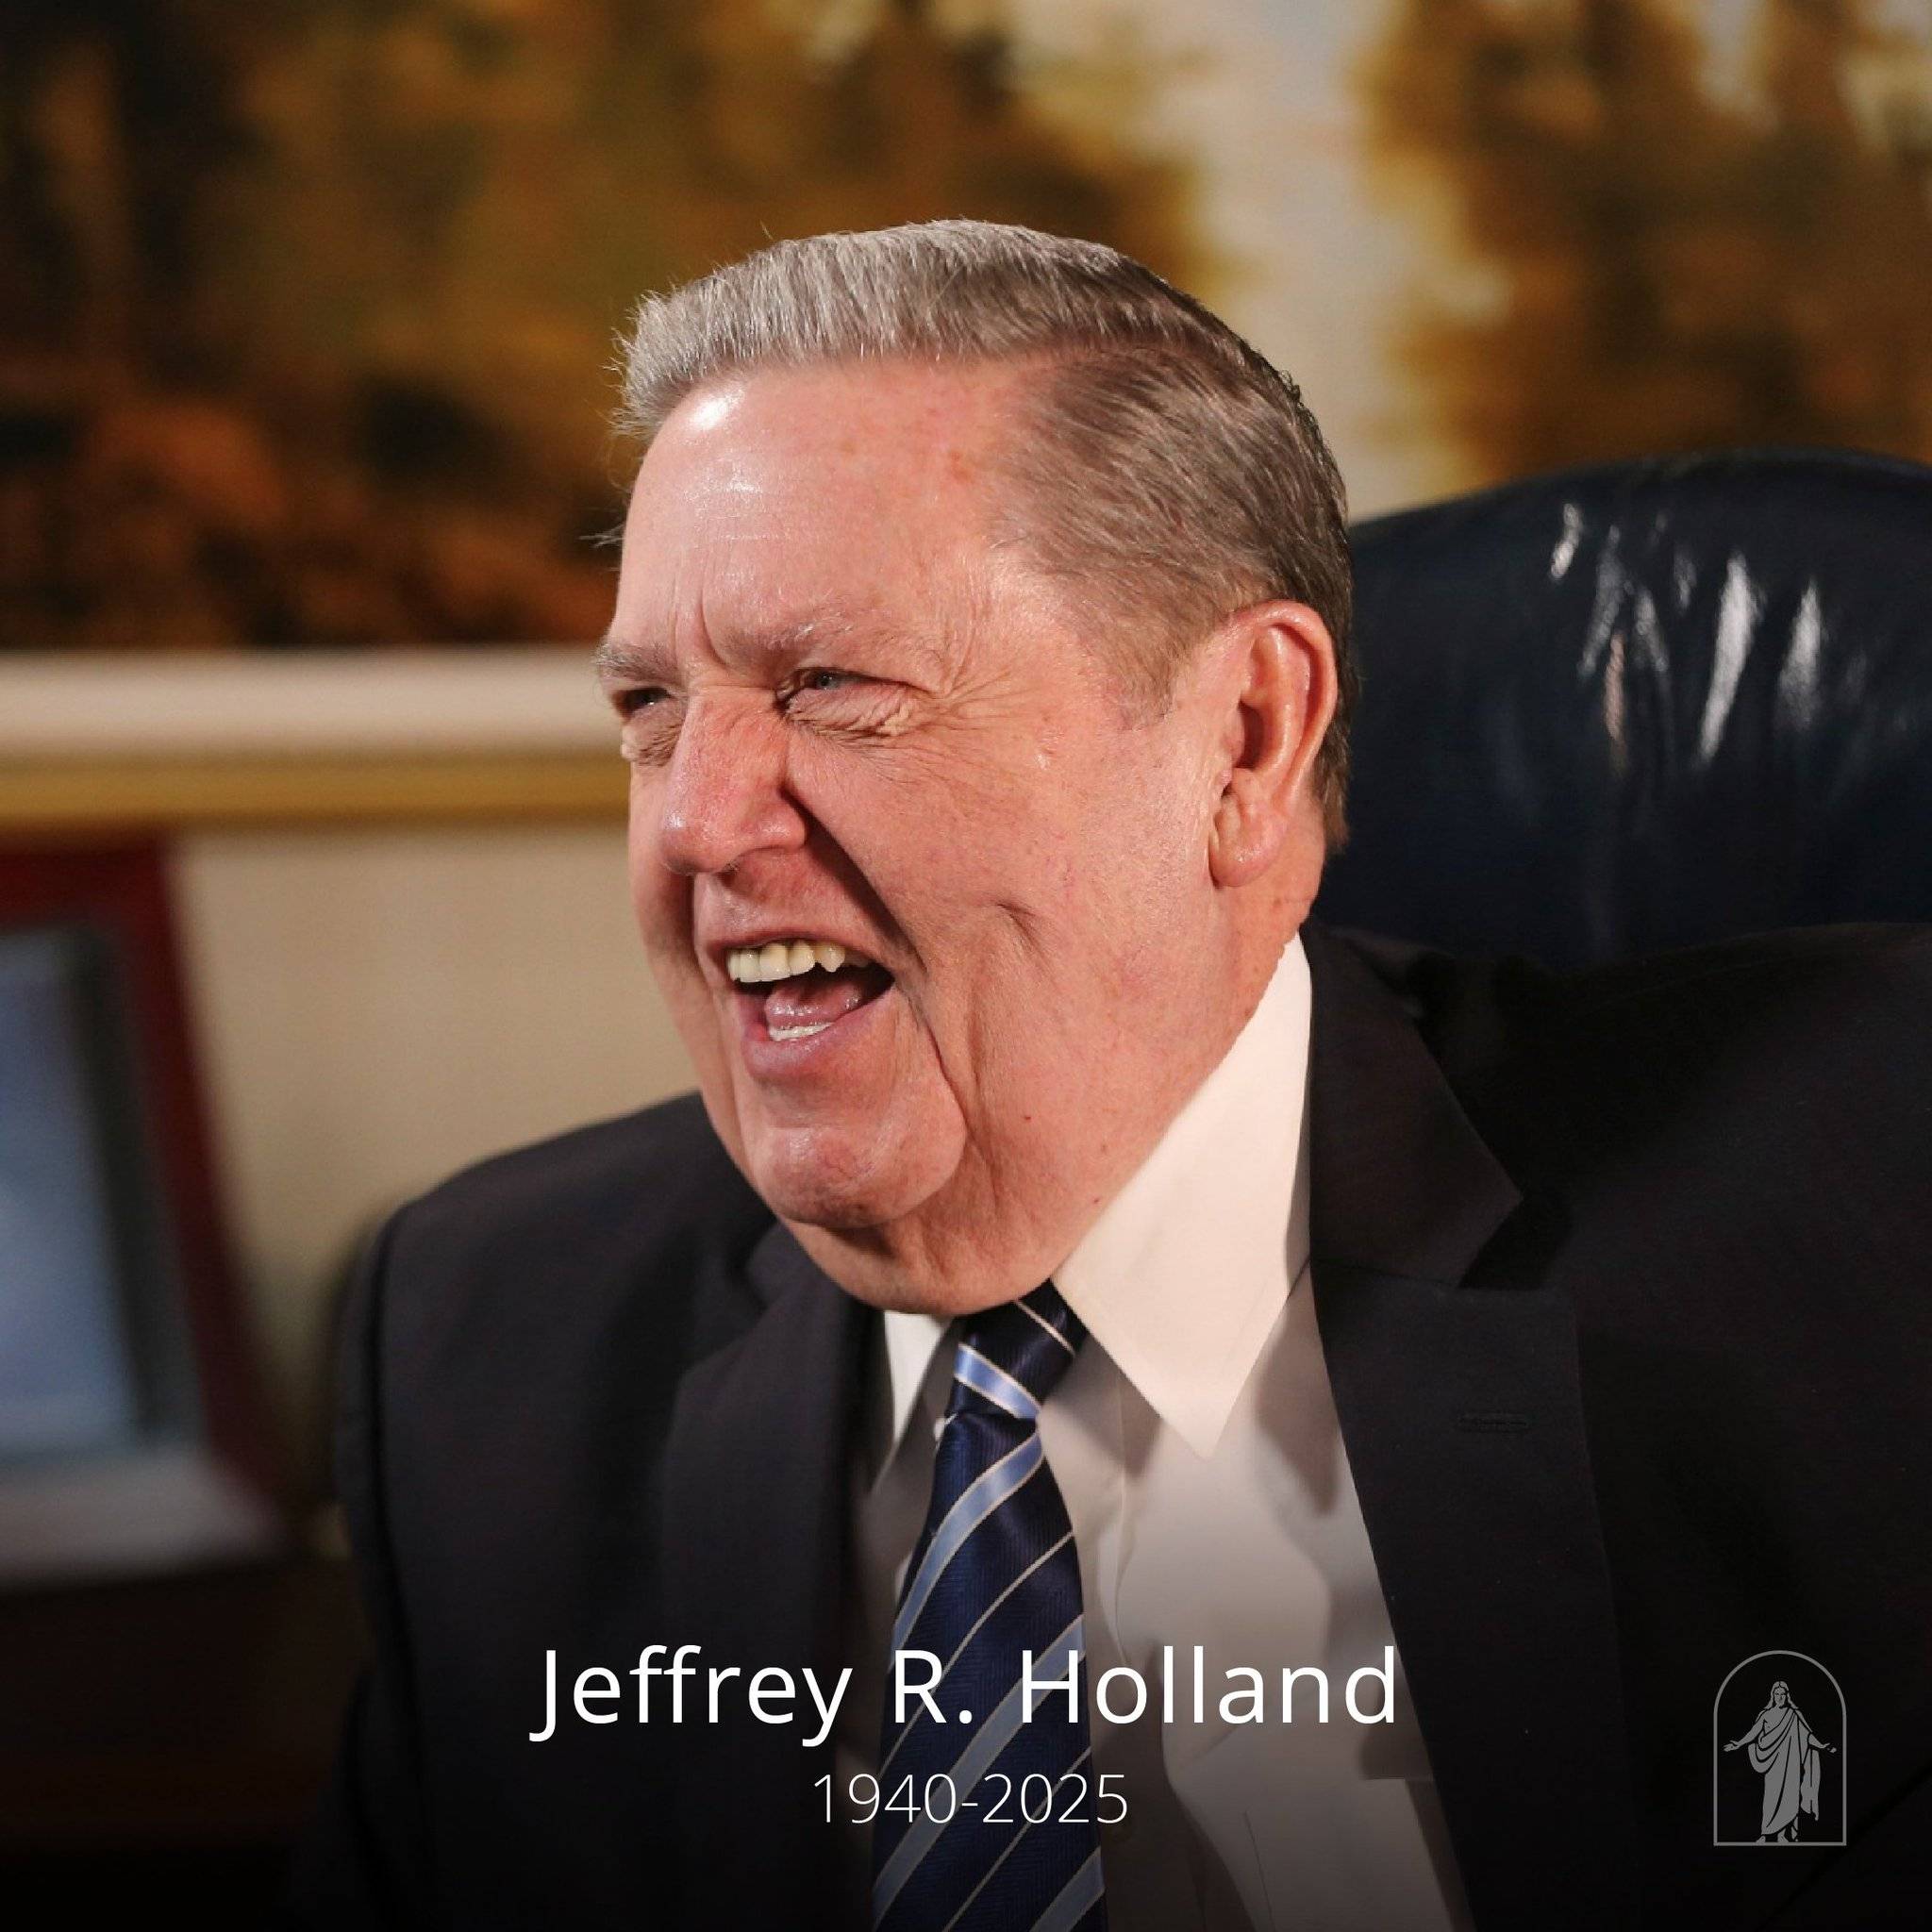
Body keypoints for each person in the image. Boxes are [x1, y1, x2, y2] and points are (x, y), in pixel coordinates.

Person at [283, 222, 1932, 1931]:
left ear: (1241, 738)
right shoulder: (487, 1337)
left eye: (830, 686)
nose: (695, 820)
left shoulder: (1861, 1197)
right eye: (647, 703)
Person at [1725, 1681, 1835, 1845]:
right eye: (1777, 1694)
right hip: (1773, 1763)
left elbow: (1806, 1735)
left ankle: (1781, 1836)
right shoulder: (1766, 1714)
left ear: (1787, 1696)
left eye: (1783, 1694)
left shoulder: (1793, 1715)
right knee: (1770, 1798)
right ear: (1773, 1696)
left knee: (1789, 1799)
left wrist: (1820, 1745)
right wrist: (1739, 1744)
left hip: (1791, 1763)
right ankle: (1765, 1833)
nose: (1780, 1697)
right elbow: (1753, 1733)